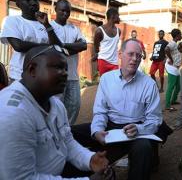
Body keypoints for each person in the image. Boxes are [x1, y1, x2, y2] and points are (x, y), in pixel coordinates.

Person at [0, 46, 110, 179]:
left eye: (65, 69)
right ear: (32, 69)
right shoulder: (14, 113)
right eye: (57, 67)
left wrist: (90, 160)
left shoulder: (55, 103)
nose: (65, 73)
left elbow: (67, 142)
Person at [92, 39, 163, 180]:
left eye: (138, 55)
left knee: (143, 148)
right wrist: (97, 130)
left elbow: (155, 119)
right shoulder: (106, 79)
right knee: (74, 133)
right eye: (131, 54)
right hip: (110, 126)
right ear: (120, 54)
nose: (135, 59)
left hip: (137, 128)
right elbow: (100, 111)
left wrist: (139, 129)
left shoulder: (149, 84)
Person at [0, 0, 62, 82]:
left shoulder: (48, 24)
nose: (33, 2)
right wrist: (49, 47)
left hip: (44, 76)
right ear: (18, 4)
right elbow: (18, 46)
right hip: (20, 76)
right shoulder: (12, 21)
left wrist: (47, 25)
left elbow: (58, 47)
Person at [50, 0, 87, 125]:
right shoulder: (49, 27)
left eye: (68, 11)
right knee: (55, 107)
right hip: (55, 76)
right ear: (55, 9)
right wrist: (73, 47)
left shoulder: (74, 28)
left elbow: (83, 45)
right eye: (62, 10)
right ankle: (56, 133)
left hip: (72, 76)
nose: (65, 13)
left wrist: (63, 46)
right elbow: (51, 48)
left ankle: (67, 131)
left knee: (75, 105)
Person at [93, 8, 121, 76]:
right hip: (103, 61)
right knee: (104, 83)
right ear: (113, 16)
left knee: (114, 83)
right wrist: (98, 61)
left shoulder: (119, 31)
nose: (119, 18)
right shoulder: (99, 31)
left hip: (114, 63)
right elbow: (96, 47)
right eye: (118, 16)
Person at [165, 28, 182, 111]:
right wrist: (171, 59)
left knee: (178, 86)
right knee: (171, 86)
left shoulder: (175, 43)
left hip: (176, 68)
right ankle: (168, 105)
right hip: (172, 68)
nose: (181, 35)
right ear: (177, 35)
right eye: (180, 34)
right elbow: (166, 49)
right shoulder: (172, 43)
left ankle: (173, 100)